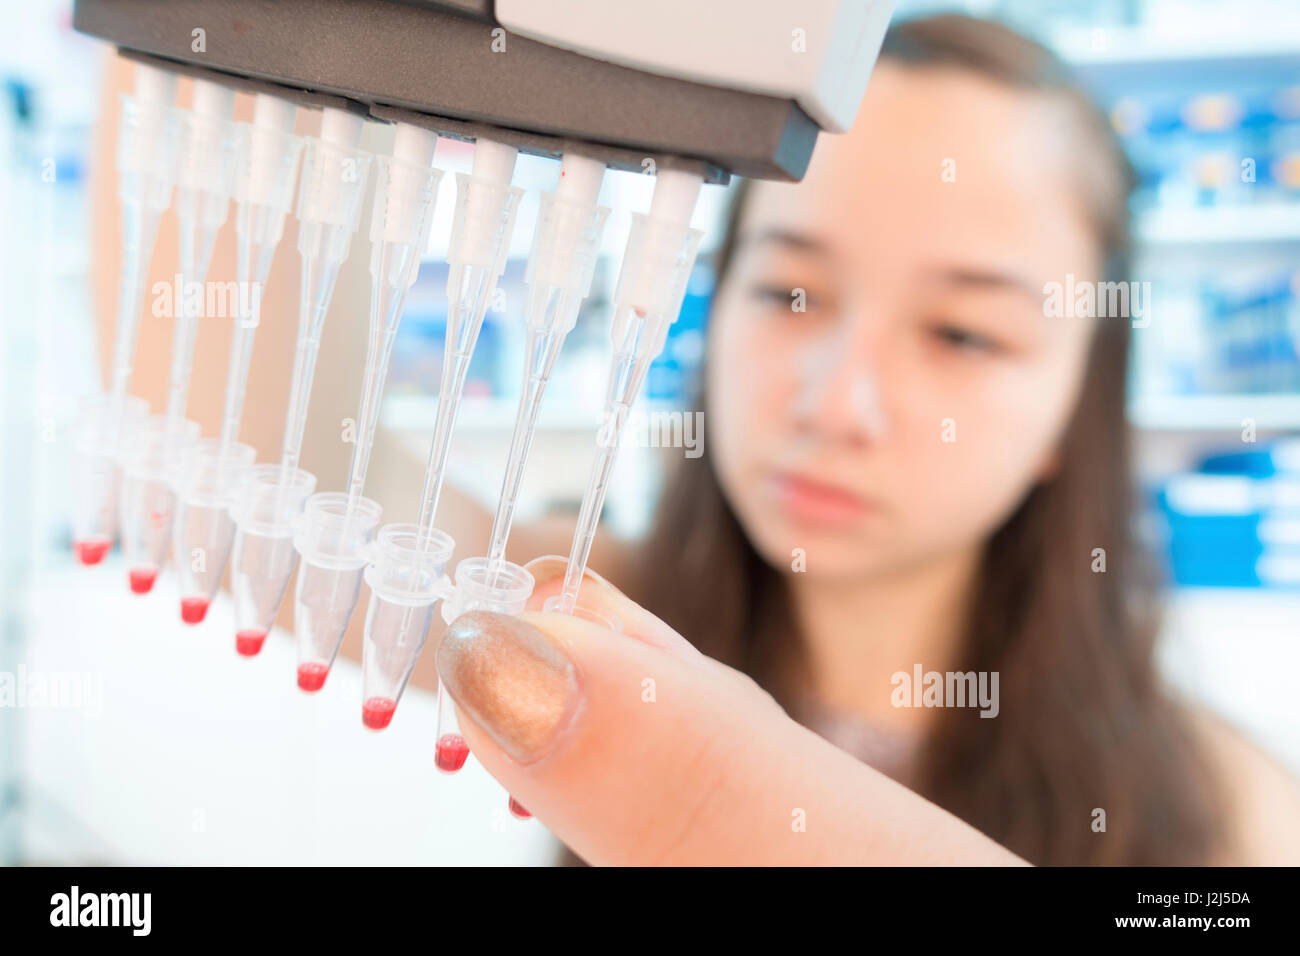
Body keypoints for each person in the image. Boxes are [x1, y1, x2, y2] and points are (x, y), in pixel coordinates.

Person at [94, 15, 1300, 865]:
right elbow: (257, 463)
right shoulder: (584, 610)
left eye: (961, 334)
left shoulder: (1228, 812)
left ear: (1072, 408)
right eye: (790, 294)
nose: (840, 401)